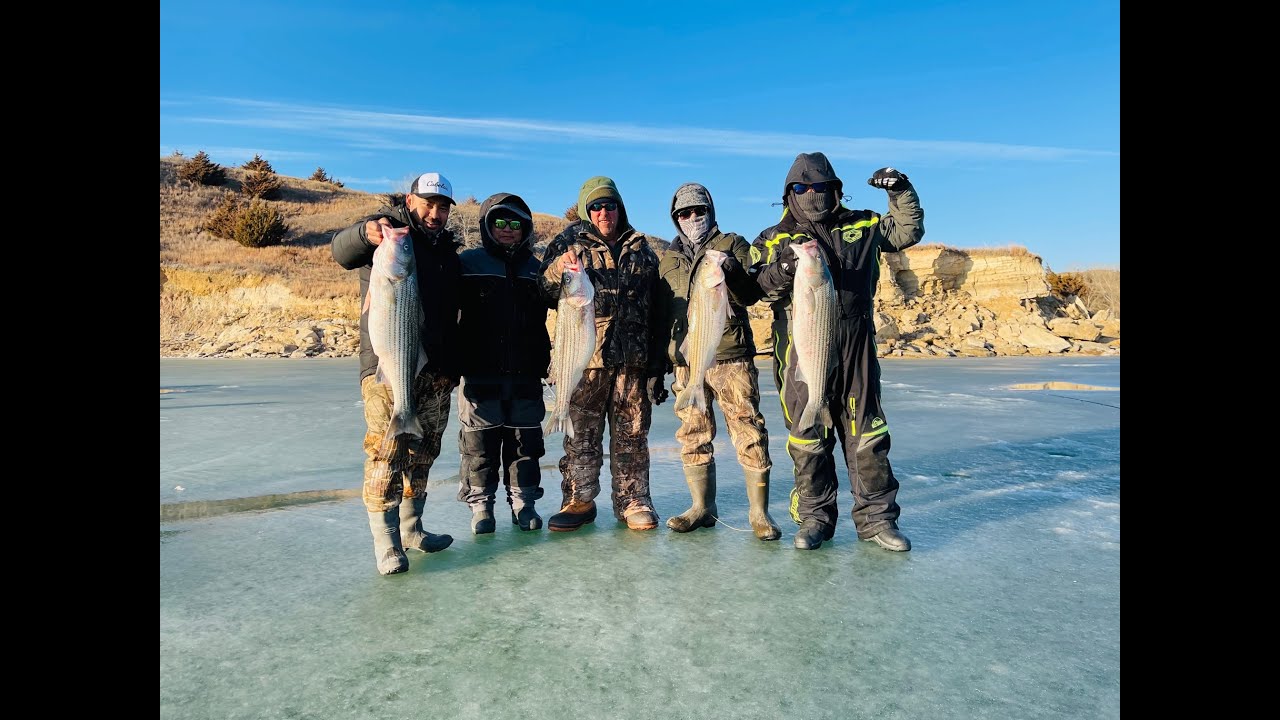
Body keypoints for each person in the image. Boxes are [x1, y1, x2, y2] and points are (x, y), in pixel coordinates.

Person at [751, 153, 924, 551]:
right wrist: (783, 271)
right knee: (808, 436)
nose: (810, 194)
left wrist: (901, 191)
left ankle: (878, 520)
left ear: (835, 189)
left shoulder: (861, 223)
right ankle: (814, 519)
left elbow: (905, 232)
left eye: (820, 187)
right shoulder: (774, 237)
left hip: (856, 346)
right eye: (800, 188)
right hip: (799, 348)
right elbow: (755, 286)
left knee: (868, 433)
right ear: (788, 193)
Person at [331, 172, 462, 575]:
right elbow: (342, 250)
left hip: (434, 371)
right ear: (410, 199)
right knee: (386, 453)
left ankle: (412, 529)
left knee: (423, 453)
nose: (435, 213)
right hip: (387, 367)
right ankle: (386, 544)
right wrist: (364, 233)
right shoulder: (386, 232)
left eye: (442, 207)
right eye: (428, 203)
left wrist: (453, 367)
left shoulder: (448, 254)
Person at [538, 176, 668, 532]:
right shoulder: (568, 244)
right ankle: (579, 500)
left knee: (632, 433)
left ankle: (633, 500)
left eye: (610, 205)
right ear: (586, 210)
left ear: (619, 207)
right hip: (585, 359)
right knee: (580, 434)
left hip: (633, 359)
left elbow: (658, 306)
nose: (603, 212)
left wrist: (658, 360)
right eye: (595, 206)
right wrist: (558, 269)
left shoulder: (642, 248)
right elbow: (544, 288)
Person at [654, 183, 781, 541]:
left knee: (748, 429)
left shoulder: (733, 244)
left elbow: (751, 294)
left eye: (699, 210)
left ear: (710, 211)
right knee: (693, 433)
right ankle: (701, 507)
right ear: (675, 219)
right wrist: (658, 362)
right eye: (684, 213)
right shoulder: (668, 260)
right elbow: (663, 313)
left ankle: (759, 512)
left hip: (730, 357)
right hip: (687, 360)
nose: (692, 218)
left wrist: (732, 270)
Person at [455, 193, 554, 534]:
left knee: (525, 446)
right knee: (479, 446)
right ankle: (481, 507)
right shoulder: (468, 262)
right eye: (500, 223)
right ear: (487, 226)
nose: (508, 230)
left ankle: (524, 503)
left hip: (526, 373)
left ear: (525, 229)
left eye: (516, 224)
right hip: (479, 372)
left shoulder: (536, 268)